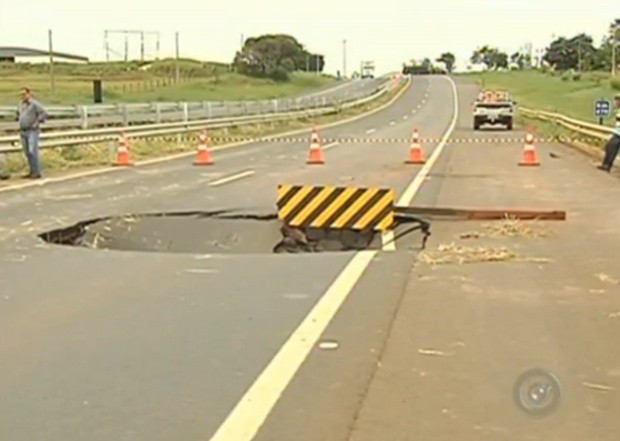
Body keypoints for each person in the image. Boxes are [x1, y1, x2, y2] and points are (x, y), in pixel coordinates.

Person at [17, 87, 47, 179]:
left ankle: (37, 172)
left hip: (32, 130)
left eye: (24, 94)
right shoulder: (20, 105)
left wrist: (37, 122)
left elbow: (43, 113)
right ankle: (32, 170)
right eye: (21, 94)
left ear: (29, 94)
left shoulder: (34, 104)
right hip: (23, 130)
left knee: (32, 150)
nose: (23, 96)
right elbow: (18, 114)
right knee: (27, 152)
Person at [598, 93, 620, 172]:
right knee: (609, 147)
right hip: (617, 132)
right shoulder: (618, 110)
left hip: (619, 134)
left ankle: (607, 165)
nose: (615, 102)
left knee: (612, 148)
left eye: (617, 101)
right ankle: (606, 164)